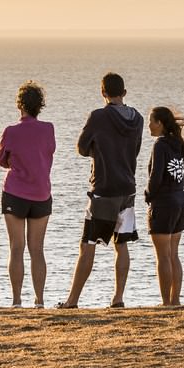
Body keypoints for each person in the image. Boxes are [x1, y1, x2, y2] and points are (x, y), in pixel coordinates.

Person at [58, 72, 144, 309]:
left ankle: (72, 301)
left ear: (102, 92)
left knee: (88, 244)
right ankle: (118, 298)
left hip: (104, 188)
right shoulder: (138, 119)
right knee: (122, 243)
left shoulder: (98, 117)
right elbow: (135, 150)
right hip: (128, 188)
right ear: (124, 93)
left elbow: (81, 148)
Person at [0, 81, 56, 307]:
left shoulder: (11, 131)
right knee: (37, 249)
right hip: (41, 193)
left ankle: (16, 300)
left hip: (15, 193)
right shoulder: (48, 128)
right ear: (39, 106)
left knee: (16, 247)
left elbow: (2, 160)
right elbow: (49, 151)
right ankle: (39, 300)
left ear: (19, 105)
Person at [145, 106, 184, 307]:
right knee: (173, 254)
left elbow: (155, 177)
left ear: (160, 124)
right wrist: (176, 187)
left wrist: (149, 195)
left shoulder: (160, 145)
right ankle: (175, 300)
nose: (148, 125)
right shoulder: (179, 143)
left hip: (163, 203)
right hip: (180, 200)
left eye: (151, 121)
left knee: (162, 256)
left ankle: (165, 302)